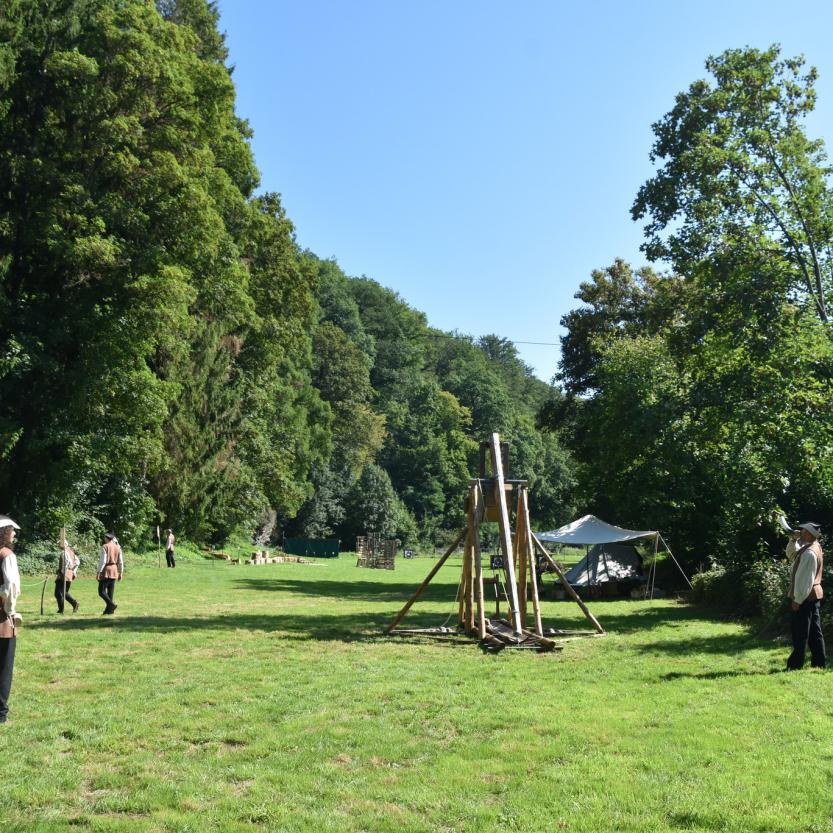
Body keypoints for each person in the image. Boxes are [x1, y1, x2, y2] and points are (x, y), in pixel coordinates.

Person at [786, 522, 826, 671]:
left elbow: (805, 580)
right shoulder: (811, 547)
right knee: (814, 632)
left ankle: (795, 665)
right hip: (812, 596)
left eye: (802, 531)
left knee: (800, 632)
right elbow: (791, 554)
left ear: (809, 534)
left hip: (805, 597)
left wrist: (797, 600)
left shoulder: (809, 552)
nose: (800, 532)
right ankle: (819, 663)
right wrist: (792, 539)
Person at [0, 515, 22, 723]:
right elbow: (10, 590)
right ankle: (1, 713)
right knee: (4, 667)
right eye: (11, 530)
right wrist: (10, 612)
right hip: (1, 620)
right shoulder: (7, 555)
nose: (14, 534)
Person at [97, 532, 123, 615]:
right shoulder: (118, 547)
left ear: (107, 538)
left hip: (107, 570)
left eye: (105, 538)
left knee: (101, 591)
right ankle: (109, 611)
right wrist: (120, 572)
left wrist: (99, 571)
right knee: (110, 592)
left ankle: (111, 605)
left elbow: (103, 561)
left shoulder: (105, 546)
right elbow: (120, 561)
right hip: (114, 569)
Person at [54, 539, 80, 614]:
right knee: (64, 592)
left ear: (64, 544)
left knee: (59, 593)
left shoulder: (64, 552)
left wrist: (62, 572)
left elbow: (66, 563)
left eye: (59, 544)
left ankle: (62, 610)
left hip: (64, 574)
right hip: (69, 574)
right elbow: (77, 562)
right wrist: (73, 571)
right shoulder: (71, 551)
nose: (58, 546)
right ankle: (73, 604)